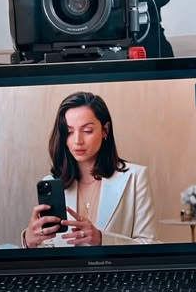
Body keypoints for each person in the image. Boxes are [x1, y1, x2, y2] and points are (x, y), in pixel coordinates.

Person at [22, 91, 156, 248]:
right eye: (69, 132)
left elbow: (150, 245)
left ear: (105, 130)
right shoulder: (52, 185)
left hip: (115, 272)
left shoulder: (135, 177)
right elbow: (49, 253)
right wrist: (30, 242)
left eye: (87, 131)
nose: (78, 140)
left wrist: (101, 239)